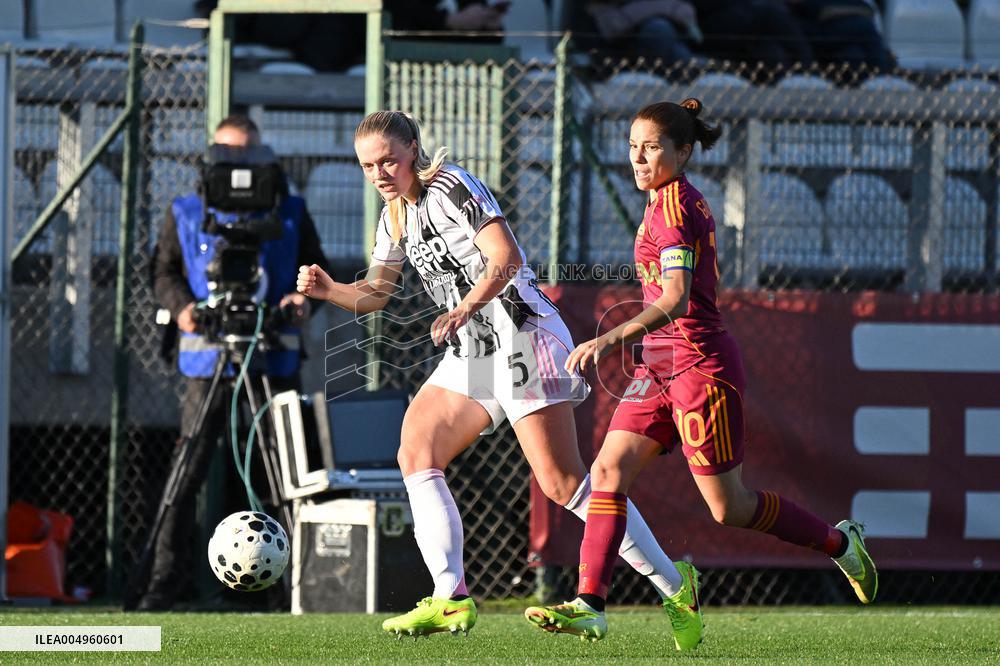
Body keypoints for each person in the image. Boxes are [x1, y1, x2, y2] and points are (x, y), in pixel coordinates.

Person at [296, 110, 697, 642]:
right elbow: (376, 293)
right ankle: (449, 597)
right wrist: (328, 290)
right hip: (473, 347)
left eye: (388, 159)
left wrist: (464, 306)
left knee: (563, 484)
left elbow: (505, 258)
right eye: (368, 165)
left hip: (520, 334)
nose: (379, 173)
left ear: (414, 149)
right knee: (416, 449)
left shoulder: (452, 185)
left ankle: (674, 586)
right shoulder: (393, 216)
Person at [524, 98, 878, 644]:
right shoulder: (659, 200)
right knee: (609, 472)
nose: (639, 158)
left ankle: (839, 543)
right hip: (657, 367)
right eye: (633, 147)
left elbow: (676, 298)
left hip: (698, 366)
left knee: (727, 507)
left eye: (652, 148)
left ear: (683, 151)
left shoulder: (674, 209)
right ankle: (589, 602)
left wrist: (611, 337)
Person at [140, 114, 329, 611]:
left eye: (247, 154)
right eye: (228, 154)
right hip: (208, 360)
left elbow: (318, 270)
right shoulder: (185, 211)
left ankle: (288, 589)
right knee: (188, 469)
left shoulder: (289, 210)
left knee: (283, 473)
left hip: (273, 356)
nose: (237, 165)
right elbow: (161, 270)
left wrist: (302, 300)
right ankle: (165, 583)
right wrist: (182, 308)